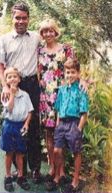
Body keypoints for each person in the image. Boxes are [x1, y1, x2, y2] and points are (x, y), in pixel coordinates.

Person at [0, 1, 42, 183]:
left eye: (24, 18)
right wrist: (5, 86)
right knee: (14, 128)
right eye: (17, 18)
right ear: (12, 18)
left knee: (33, 128)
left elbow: (53, 51)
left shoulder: (36, 37)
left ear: (28, 19)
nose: (21, 21)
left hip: (31, 86)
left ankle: (36, 169)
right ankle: (19, 170)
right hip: (13, 87)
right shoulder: (4, 40)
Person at [38, 19, 75, 183]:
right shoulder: (39, 51)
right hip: (45, 98)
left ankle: (62, 171)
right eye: (44, 31)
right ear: (42, 34)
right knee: (48, 135)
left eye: (50, 30)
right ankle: (52, 167)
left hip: (61, 97)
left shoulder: (66, 49)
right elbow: (38, 73)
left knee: (61, 134)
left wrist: (82, 85)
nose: (48, 34)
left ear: (56, 31)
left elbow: (74, 72)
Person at [48, 58, 89, 191]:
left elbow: (84, 113)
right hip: (62, 124)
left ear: (78, 73)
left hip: (74, 124)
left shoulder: (81, 90)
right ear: (64, 73)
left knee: (76, 152)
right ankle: (58, 176)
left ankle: (75, 181)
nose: (70, 75)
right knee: (57, 150)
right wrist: (58, 125)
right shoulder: (62, 90)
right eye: (67, 72)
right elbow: (59, 109)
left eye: (72, 72)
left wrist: (78, 129)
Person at [0, 67, 33, 191]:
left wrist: (27, 124)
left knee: (20, 153)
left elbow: (30, 111)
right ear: (6, 80)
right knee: (9, 153)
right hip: (9, 125)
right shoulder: (5, 94)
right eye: (9, 77)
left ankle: (20, 176)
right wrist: (12, 94)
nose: (12, 78)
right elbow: (10, 108)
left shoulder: (25, 95)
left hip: (21, 126)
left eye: (15, 76)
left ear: (19, 79)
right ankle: (7, 176)